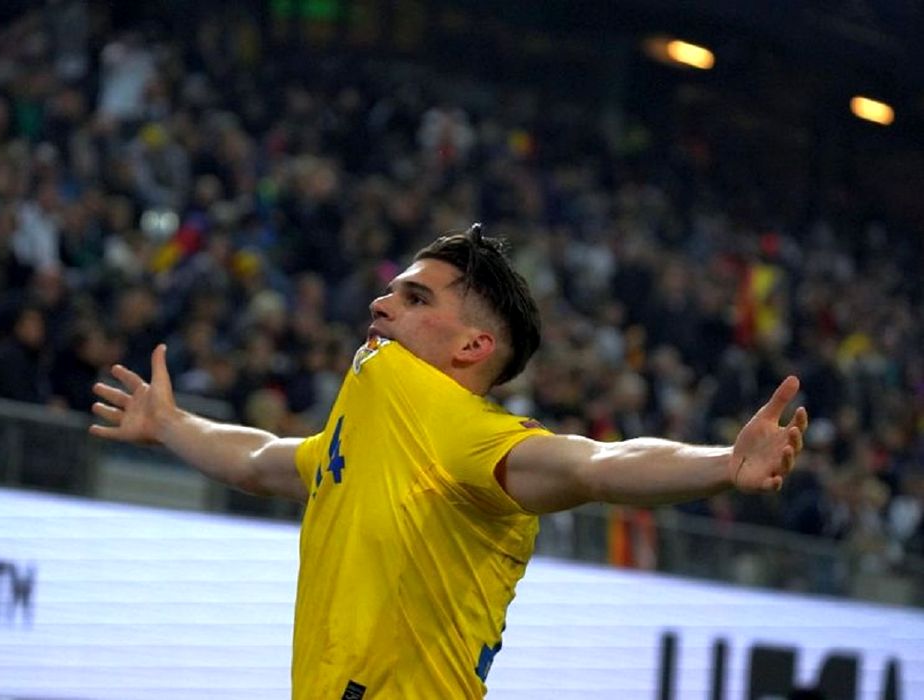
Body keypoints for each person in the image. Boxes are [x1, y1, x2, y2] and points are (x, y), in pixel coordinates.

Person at [90, 223, 809, 699]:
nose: (381, 304)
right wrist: (171, 424)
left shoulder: (466, 434)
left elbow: (594, 464)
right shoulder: (370, 429)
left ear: (471, 347)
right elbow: (260, 459)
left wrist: (722, 462)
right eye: (392, 288)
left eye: (414, 297)